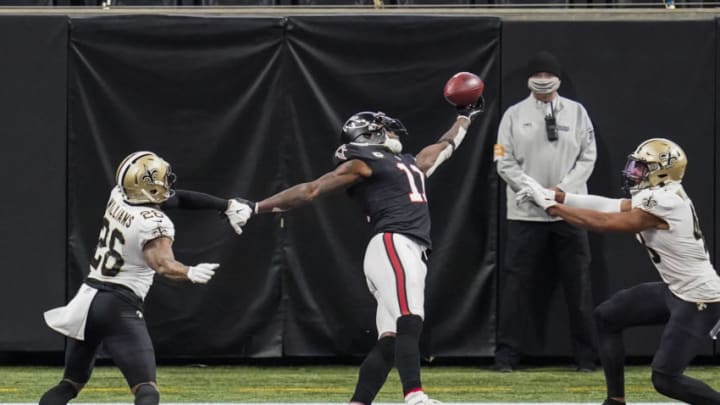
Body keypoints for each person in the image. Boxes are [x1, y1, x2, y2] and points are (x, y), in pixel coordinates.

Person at [232, 101, 484, 405]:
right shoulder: (362, 161)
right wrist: (257, 206)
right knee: (410, 318)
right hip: (394, 243)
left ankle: (358, 402)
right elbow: (312, 189)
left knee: (391, 340)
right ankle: (415, 396)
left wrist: (464, 117)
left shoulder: (406, 164)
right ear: (369, 135)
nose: (391, 131)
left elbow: (443, 147)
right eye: (384, 128)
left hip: (408, 249)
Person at [39, 151, 252, 405]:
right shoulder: (154, 223)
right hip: (119, 306)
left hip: (87, 301)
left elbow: (179, 198)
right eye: (162, 180)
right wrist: (189, 272)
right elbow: (162, 265)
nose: (168, 184)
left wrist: (225, 205)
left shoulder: (118, 195)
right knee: (146, 390)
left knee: (68, 385)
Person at [520, 138, 720, 405]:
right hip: (676, 290)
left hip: (701, 299)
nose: (634, 172)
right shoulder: (659, 192)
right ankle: (616, 401)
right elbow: (610, 205)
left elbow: (605, 222)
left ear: (662, 171)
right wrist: (558, 195)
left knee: (665, 379)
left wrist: (551, 208)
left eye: (642, 167)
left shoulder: (666, 201)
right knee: (607, 317)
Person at [494, 50, 598, 372]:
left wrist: (561, 192)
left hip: (570, 211)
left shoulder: (578, 113)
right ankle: (506, 357)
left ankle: (587, 358)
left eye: (546, 75)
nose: (542, 80)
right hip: (525, 213)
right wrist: (536, 193)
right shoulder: (513, 114)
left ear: (558, 78)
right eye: (536, 75)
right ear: (529, 79)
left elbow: (588, 157)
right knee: (515, 287)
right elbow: (502, 158)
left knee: (578, 284)